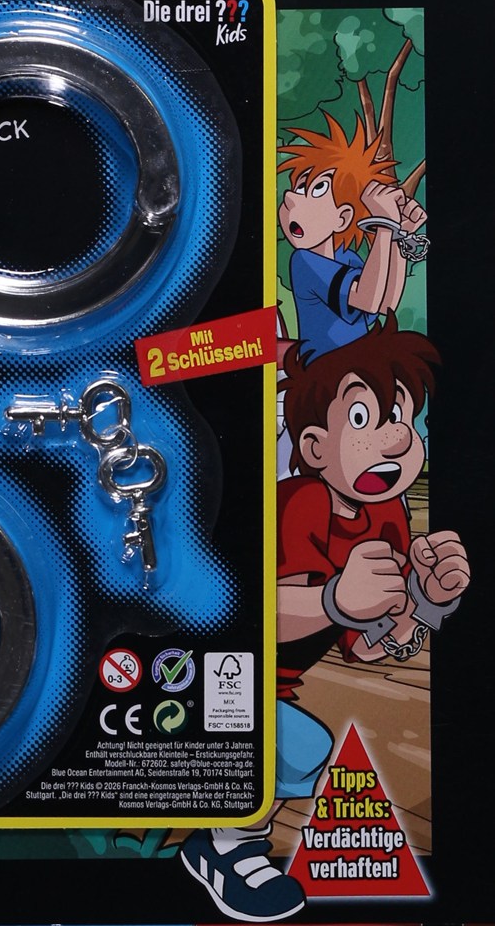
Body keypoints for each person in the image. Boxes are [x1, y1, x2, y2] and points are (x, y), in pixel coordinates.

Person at [179, 316, 470, 922]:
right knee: (276, 749)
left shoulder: (387, 515)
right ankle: (225, 847)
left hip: (267, 688)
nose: (395, 438)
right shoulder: (303, 501)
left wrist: (426, 604)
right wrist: (338, 598)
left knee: (305, 750)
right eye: (363, 418)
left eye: (402, 417)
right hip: (208, 668)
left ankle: (223, 834)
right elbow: (259, 613)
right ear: (312, 447)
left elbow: (364, 646)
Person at [277, 112, 425, 361]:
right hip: (324, 372)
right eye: (299, 187)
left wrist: (401, 234)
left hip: (356, 366)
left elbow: (385, 305)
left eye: (318, 188)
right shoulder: (303, 261)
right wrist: (385, 225)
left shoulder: (346, 257)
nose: (290, 198)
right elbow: (366, 300)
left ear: (343, 218)